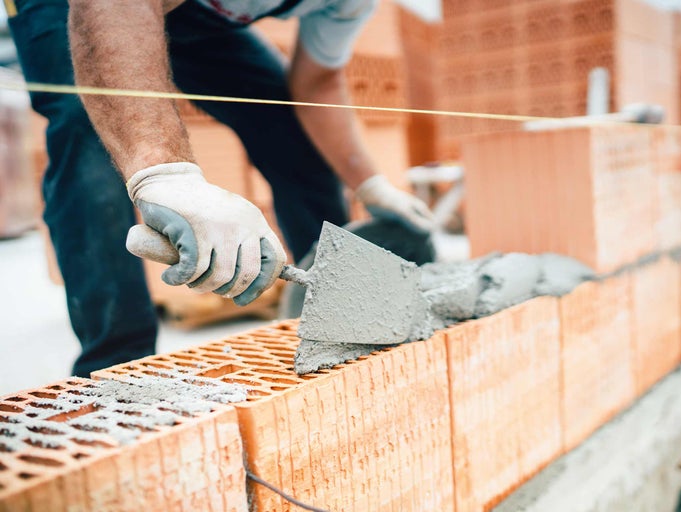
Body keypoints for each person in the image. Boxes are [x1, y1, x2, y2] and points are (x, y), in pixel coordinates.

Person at [6, 0, 433, 377]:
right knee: (87, 130)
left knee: (286, 120)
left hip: (191, 11)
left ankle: (339, 313)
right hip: (76, 6)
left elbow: (317, 83)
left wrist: (369, 184)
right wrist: (165, 174)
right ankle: (117, 365)